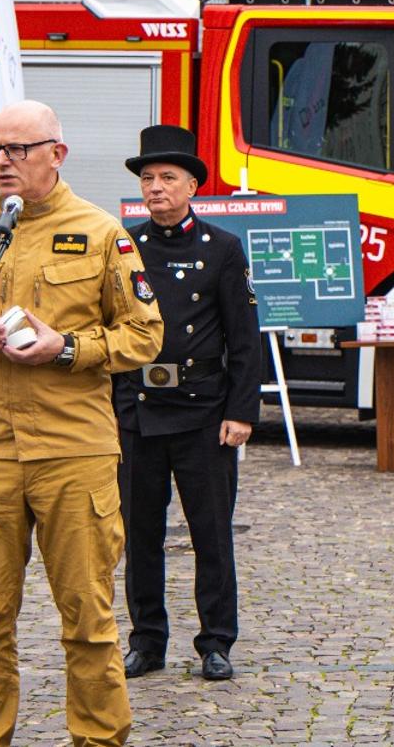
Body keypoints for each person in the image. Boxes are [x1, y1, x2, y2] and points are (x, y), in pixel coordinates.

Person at [0, 100, 162, 746]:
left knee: (87, 620)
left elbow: (144, 333)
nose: (2, 162)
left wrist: (65, 348)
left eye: (17, 150)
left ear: (56, 154)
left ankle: (97, 740)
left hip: (74, 449)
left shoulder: (101, 233)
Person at [114, 125, 262, 682]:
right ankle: (147, 641)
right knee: (140, 535)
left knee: (211, 534)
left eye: (168, 178)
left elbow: (243, 338)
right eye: (148, 178)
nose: (156, 187)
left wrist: (241, 412)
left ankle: (216, 641)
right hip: (140, 410)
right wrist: (113, 407)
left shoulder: (222, 248)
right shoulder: (123, 246)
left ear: (193, 186)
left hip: (204, 412)